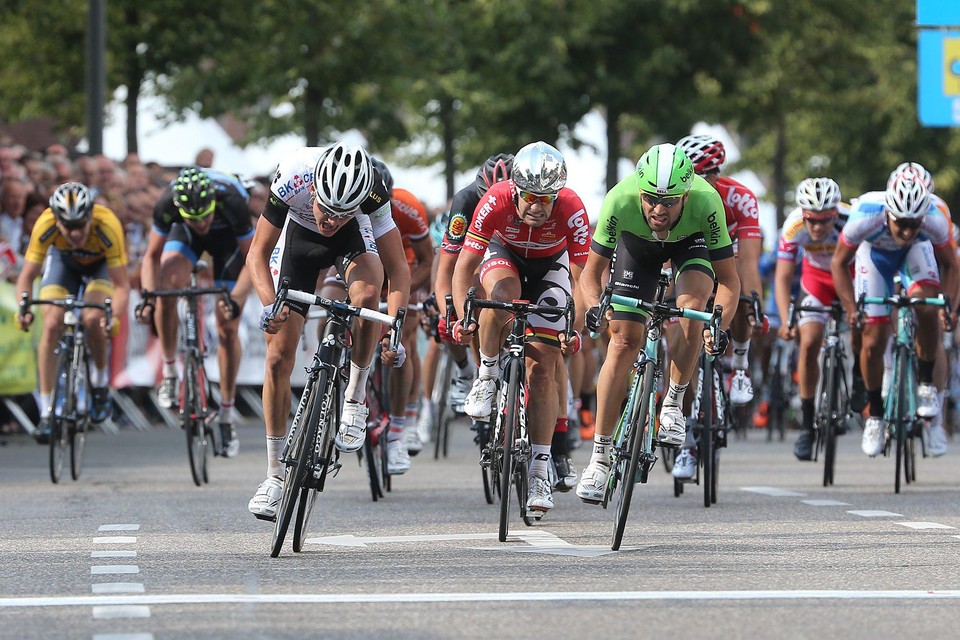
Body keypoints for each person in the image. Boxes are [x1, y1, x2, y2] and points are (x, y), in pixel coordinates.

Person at [245, 141, 410, 519]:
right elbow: (257, 252)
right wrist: (271, 304)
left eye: (341, 211)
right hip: (298, 242)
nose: (331, 219)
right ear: (314, 189)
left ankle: (354, 397)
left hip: (355, 242)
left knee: (368, 296)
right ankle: (273, 476)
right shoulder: (293, 175)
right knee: (277, 358)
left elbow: (398, 270)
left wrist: (395, 328)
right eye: (326, 208)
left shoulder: (372, 192)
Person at [576, 143, 740, 502]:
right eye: (650, 198)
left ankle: (673, 403)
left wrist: (719, 325)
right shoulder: (619, 199)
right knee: (622, 342)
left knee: (693, 305)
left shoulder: (707, 201)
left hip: (689, 244)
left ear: (686, 193)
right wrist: (594, 307)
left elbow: (729, 281)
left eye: (668, 201)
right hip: (637, 249)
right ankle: (600, 459)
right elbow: (590, 275)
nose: (658, 209)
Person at [452, 141, 588, 515]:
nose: (536, 206)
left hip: (550, 268)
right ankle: (487, 373)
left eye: (546, 199)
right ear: (515, 189)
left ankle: (541, 469)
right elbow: (464, 267)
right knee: (500, 297)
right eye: (529, 196)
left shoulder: (572, 208)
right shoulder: (494, 200)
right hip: (505, 256)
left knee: (543, 368)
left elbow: (583, 283)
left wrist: (572, 328)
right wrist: (463, 316)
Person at [831, 170, 958, 457]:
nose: (906, 232)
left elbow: (951, 265)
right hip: (874, 258)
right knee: (873, 340)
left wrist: (948, 305)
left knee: (927, 306)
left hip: (916, 254)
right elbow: (839, 264)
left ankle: (927, 386)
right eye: (901, 223)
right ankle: (875, 415)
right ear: (889, 213)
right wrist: (851, 309)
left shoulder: (935, 218)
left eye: (914, 224)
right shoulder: (865, 214)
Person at [139, 167, 254, 458]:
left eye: (204, 215)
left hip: (227, 241)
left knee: (227, 327)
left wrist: (236, 299)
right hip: (184, 238)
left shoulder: (233, 202)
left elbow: (254, 260)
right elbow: (151, 257)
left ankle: (226, 414)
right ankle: (169, 372)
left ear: (212, 203)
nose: (201, 222)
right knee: (166, 286)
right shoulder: (167, 203)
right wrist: (150, 299)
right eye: (194, 217)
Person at [16, 182, 130, 440]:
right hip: (63, 264)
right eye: (68, 227)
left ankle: (100, 384)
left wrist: (113, 318)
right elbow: (27, 276)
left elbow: (122, 286)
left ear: (90, 215)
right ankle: (47, 413)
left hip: (100, 267)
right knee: (51, 324)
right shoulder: (44, 225)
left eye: (80, 225)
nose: (75, 233)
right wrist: (23, 308)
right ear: (57, 221)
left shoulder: (108, 225)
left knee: (92, 317)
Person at [676, 134, 764, 407]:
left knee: (739, 284)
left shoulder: (740, 199)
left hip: (730, 251)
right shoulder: (676, 197)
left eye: (700, 176)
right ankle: (686, 427)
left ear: (715, 176)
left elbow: (749, 262)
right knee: (677, 338)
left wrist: (754, 304)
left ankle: (739, 364)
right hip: (691, 250)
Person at [774, 177, 854, 460]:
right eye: (812, 220)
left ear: (835, 214)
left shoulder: (852, 220)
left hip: (852, 278)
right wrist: (786, 320)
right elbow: (783, 277)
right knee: (808, 344)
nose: (818, 227)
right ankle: (807, 427)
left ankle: (857, 384)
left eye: (825, 220)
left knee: (863, 331)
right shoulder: (794, 225)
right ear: (803, 215)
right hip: (817, 282)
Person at [434, 154, 514, 411]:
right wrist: (455, 317)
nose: (494, 204)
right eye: (488, 197)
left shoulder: (529, 201)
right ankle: (472, 371)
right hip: (475, 256)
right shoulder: (466, 200)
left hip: (511, 254)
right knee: (452, 315)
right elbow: (447, 269)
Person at [372, 157, 434, 473]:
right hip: (366, 263)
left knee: (404, 336)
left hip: (405, 265)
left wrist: (403, 296)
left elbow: (428, 260)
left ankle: (406, 418)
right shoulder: (351, 208)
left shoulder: (408, 207)